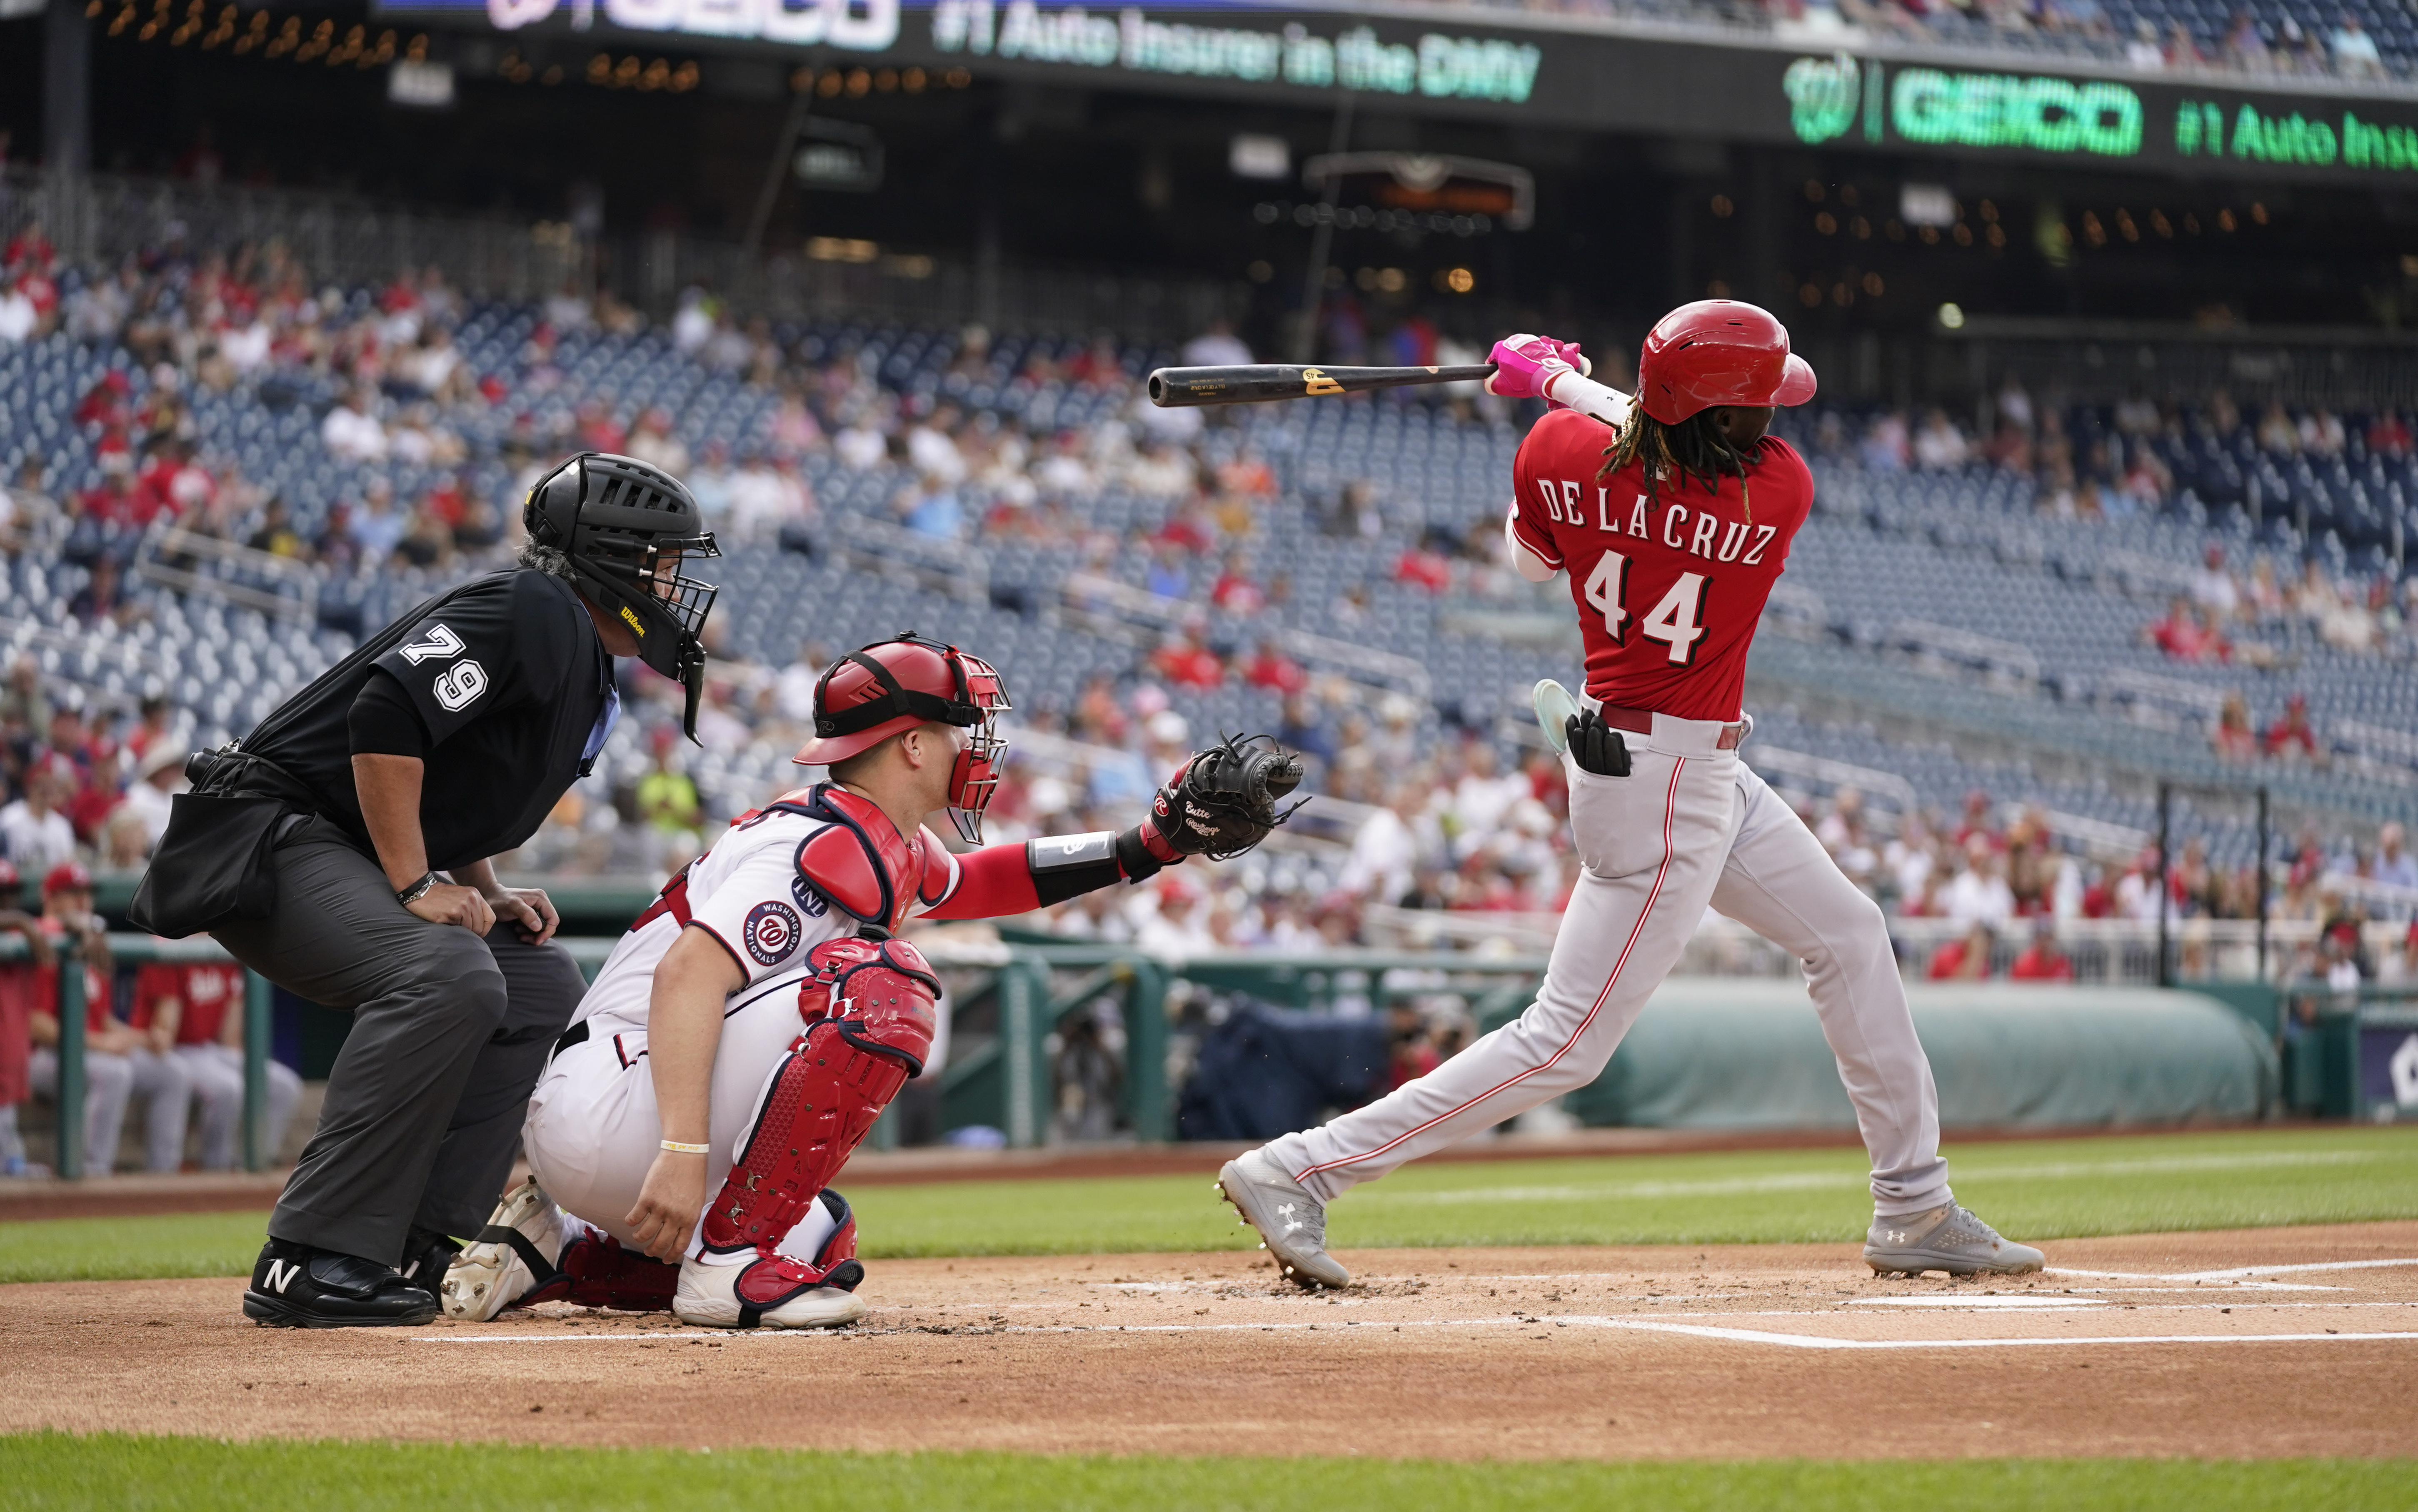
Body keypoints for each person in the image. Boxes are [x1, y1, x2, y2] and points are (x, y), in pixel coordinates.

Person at [1216, 302, 2045, 1287]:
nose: (1773, 421)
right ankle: (1300, 1166)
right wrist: (1568, 378)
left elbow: (1539, 553)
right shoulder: (1774, 491)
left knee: (1850, 934)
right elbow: (1665, 451)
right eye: (1755, 406)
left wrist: (1556, 389)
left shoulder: (1558, 446)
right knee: (1563, 1041)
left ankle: (1915, 1203)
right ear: (1718, 416)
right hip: (1661, 786)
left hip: (1663, 761)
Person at [439, 634, 1296, 1329]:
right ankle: (725, 1266)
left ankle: (561, 1251)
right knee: (884, 986)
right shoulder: (814, 844)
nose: (976, 746)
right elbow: (687, 974)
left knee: (820, 1232)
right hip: (623, 1101)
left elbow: (981, 881)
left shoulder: (867, 831)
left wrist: (1149, 843)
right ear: (913, 742)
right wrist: (682, 1150)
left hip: (615, 1114)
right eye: (961, 728)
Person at [131, 452, 718, 1328]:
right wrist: (415, 882)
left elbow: (455, 775)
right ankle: (312, 1252)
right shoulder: (535, 607)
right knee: (446, 971)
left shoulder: (577, 649)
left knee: (534, 984)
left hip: (335, 842)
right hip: (267, 831)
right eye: (665, 562)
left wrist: (482, 881)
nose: (676, 585)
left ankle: (415, 1242)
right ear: (618, 556)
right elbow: (388, 715)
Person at [28, 864, 193, 1174]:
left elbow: (100, 1019)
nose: (83, 901)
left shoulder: (91, 943)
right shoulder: (42, 939)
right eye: (72, 893)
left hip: (86, 1050)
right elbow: (37, 1026)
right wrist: (101, 1044)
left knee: (173, 1072)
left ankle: (163, 1174)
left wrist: (141, 1037)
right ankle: (90, 1169)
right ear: (50, 897)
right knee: (114, 1072)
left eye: (87, 893)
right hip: (43, 1057)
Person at [131, 957, 304, 1172]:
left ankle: (253, 1170)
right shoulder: (168, 949)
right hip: (174, 1050)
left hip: (211, 1050)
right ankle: (216, 1171)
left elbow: (229, 1038)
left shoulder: (225, 952)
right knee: (228, 1087)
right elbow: (164, 1035)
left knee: (284, 1086)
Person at [0, 859, 56, 1175]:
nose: (7, 901)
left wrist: (90, 926)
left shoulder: (30, 935)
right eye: (0, 895)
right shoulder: (23, 928)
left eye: (12, 894)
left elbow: (60, 924)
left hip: (12, 1064)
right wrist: (20, 921)